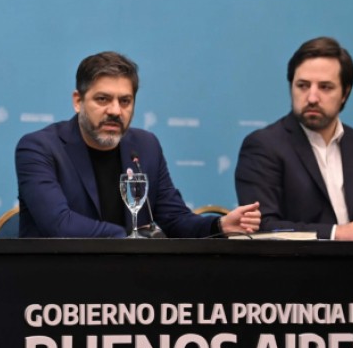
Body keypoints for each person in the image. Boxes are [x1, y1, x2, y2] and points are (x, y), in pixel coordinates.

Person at [15, 51, 261, 238]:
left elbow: (173, 218)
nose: (115, 111)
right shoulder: (39, 148)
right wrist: (132, 239)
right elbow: (60, 224)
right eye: (103, 99)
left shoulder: (145, 146)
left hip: (132, 281)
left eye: (125, 101)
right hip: (59, 282)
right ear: (78, 101)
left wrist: (218, 225)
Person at [234, 36, 353, 241]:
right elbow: (262, 227)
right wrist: (339, 233)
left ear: (345, 93)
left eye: (325, 87)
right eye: (303, 85)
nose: (312, 98)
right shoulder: (264, 146)